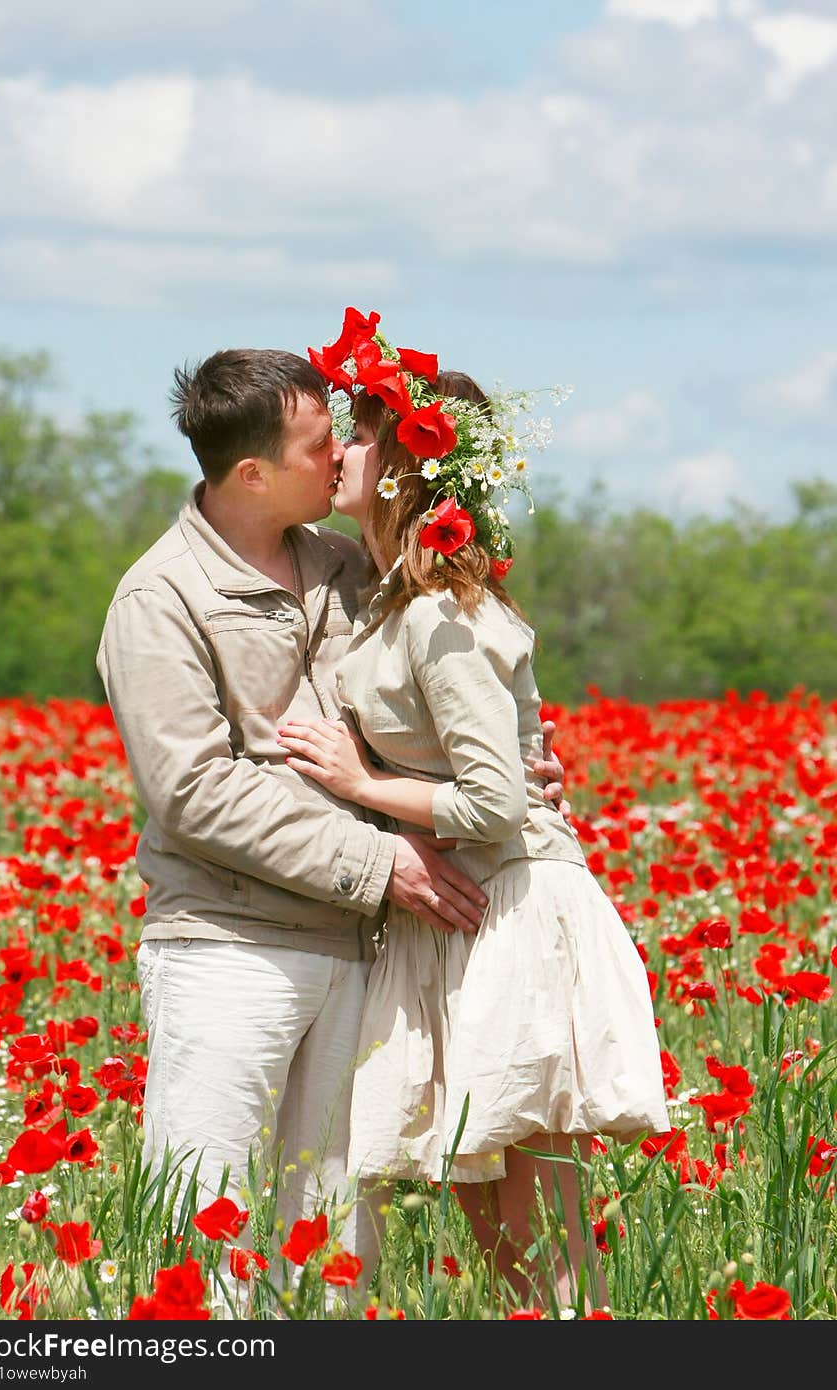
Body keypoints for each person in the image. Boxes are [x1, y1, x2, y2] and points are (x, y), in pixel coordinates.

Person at [95, 343, 567, 1295]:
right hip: (233, 947)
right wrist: (381, 862)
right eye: (324, 443)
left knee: (335, 1252)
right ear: (251, 473)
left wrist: (519, 760)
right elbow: (196, 793)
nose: (346, 458)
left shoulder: (354, 565)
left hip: (364, 952)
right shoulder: (160, 601)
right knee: (207, 1238)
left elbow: (443, 692)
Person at [275, 315, 671, 1312]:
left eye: (358, 434)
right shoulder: (395, 602)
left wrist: (360, 781)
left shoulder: (442, 614)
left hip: (512, 911)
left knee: (543, 1252)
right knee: (501, 1242)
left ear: (408, 465)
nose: (336, 449)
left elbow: (495, 801)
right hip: (462, 912)